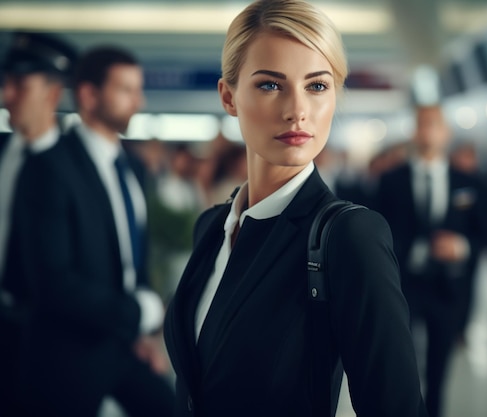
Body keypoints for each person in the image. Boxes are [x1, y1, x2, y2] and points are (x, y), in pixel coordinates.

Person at [163, 1, 428, 415]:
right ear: (229, 97)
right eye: (271, 85)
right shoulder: (211, 227)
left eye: (317, 86)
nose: (297, 111)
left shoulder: (350, 236)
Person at [13, 45, 175, 417]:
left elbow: (133, 256)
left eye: (138, 89)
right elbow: (52, 282)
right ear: (88, 95)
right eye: (126, 90)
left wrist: (141, 333)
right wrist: (137, 313)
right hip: (69, 351)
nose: (139, 100)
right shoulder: (50, 167)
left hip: (122, 345)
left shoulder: (132, 168)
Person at [377, 105, 486, 417]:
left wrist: (462, 247)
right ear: (413, 132)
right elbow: (378, 231)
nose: (428, 131)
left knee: (440, 369)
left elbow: (486, 233)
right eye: (422, 125)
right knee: (401, 367)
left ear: (446, 133)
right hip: (403, 286)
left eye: (434, 125)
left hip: (448, 288)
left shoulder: (467, 182)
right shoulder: (390, 180)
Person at [0, 30, 77, 417]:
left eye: (19, 85)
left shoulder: (74, 171)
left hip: (44, 333)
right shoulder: (3, 152)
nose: (6, 95)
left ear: (51, 92)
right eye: (5, 83)